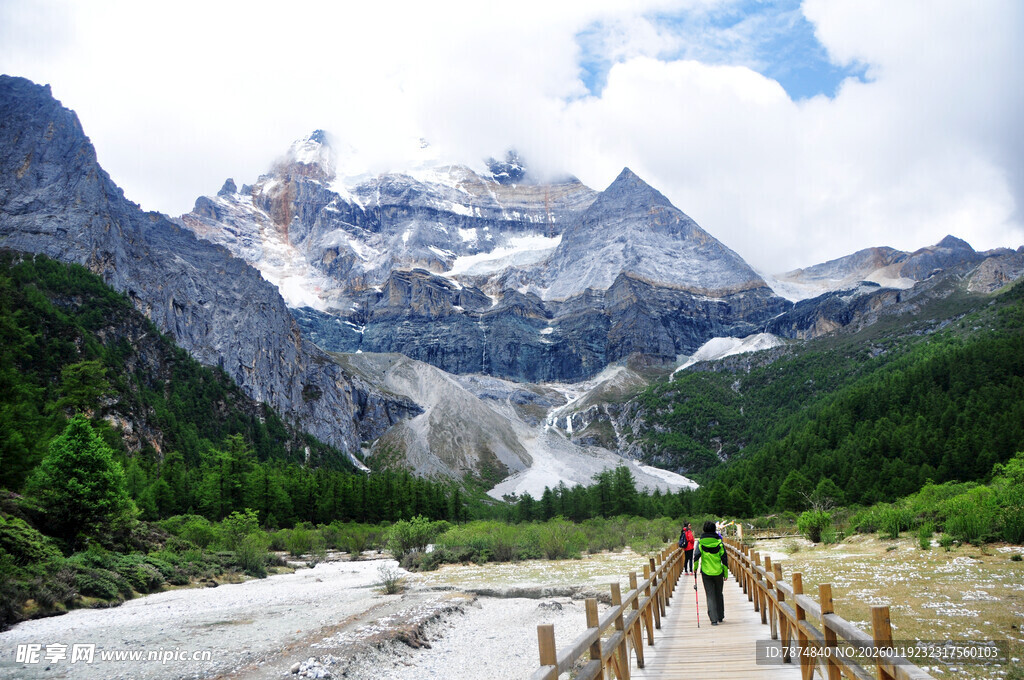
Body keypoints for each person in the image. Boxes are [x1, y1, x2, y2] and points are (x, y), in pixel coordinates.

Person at [693, 520, 728, 625]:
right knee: (719, 593)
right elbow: (724, 559)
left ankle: (713, 619)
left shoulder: (701, 542)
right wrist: (725, 573)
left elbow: (696, 556)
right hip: (718, 572)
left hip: (706, 572)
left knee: (710, 595)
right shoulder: (719, 542)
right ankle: (720, 616)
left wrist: (695, 568)